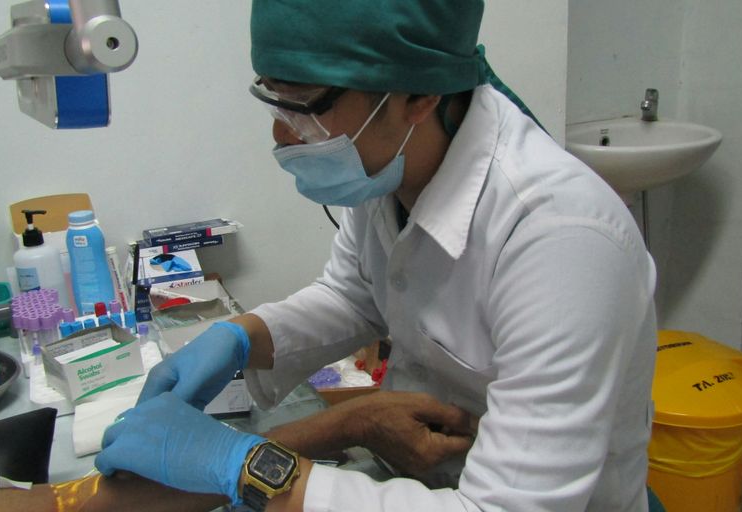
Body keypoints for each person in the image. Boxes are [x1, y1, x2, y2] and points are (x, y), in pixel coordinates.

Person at [95, 1, 658, 511]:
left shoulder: (560, 240)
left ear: (419, 96)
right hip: (417, 483)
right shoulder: (391, 168)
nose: (282, 134)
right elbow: (354, 294)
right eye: (274, 99)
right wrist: (242, 338)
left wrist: (245, 465)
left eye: (304, 106)